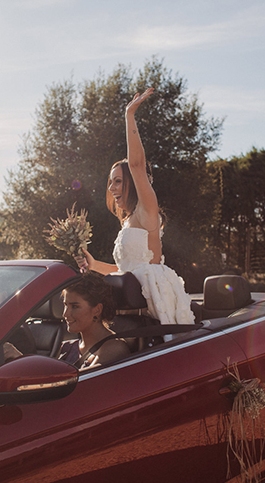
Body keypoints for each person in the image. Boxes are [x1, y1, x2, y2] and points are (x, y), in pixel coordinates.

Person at [75, 88, 195, 326]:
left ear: (132, 181)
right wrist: (93, 264)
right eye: (110, 183)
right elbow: (125, 273)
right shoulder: (128, 222)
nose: (111, 188)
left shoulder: (146, 211)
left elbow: (137, 165)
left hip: (155, 303)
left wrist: (129, 114)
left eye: (117, 181)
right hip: (130, 304)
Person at [57, 273, 130, 369]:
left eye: (75, 306)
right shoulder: (66, 347)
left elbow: (83, 383)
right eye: (66, 305)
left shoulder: (114, 348)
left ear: (97, 310)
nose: (65, 314)